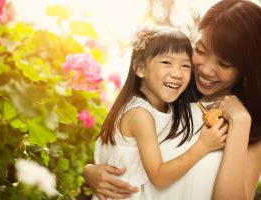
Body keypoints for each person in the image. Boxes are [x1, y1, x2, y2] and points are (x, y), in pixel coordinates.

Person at [83, 0, 261, 200]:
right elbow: (121, 150)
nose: (206, 70)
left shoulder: (251, 129)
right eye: (201, 50)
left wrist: (241, 122)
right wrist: (91, 172)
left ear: (246, 69)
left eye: (224, 63)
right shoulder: (168, 96)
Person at [92, 26, 227, 200]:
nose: (177, 73)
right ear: (140, 68)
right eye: (166, 62)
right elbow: (158, 177)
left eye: (185, 66)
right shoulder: (140, 115)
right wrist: (204, 146)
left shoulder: (167, 108)